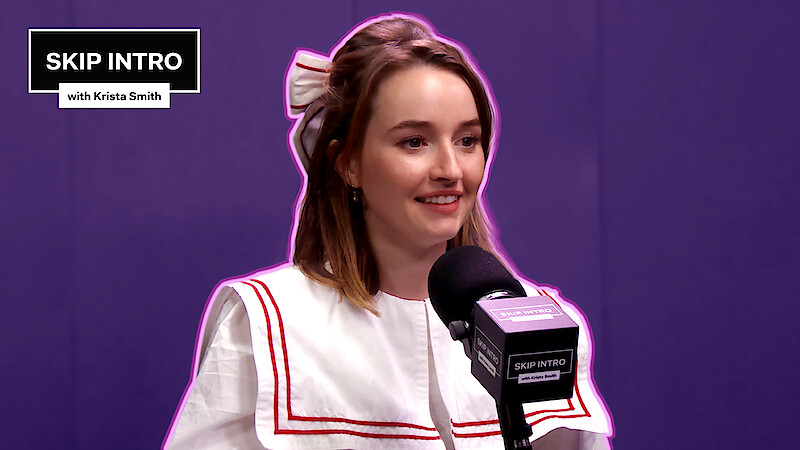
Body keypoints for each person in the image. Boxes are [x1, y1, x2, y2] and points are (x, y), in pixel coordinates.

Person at [164, 13, 613, 449]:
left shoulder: (544, 322)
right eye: (414, 142)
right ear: (349, 163)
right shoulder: (269, 324)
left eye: (467, 140)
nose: (450, 169)